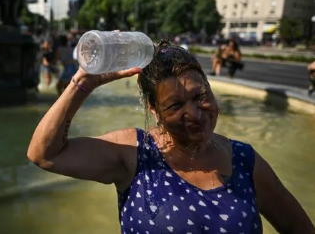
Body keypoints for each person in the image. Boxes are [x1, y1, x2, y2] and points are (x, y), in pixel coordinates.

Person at [27, 41, 315, 233]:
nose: (195, 113)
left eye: (200, 96)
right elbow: (45, 154)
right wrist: (84, 81)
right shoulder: (135, 153)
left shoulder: (244, 161)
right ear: (154, 110)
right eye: (175, 106)